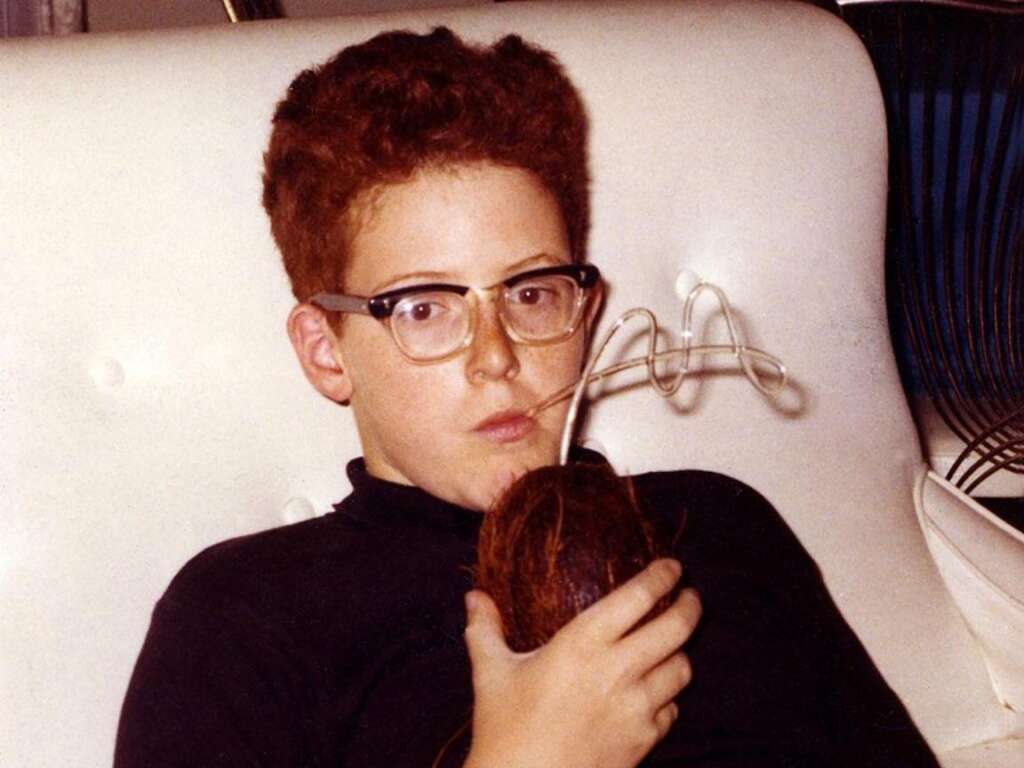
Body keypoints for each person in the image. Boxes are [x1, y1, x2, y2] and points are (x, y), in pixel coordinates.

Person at [114, 26, 940, 768]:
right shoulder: (244, 619)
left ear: (588, 312)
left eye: (532, 294)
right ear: (327, 351)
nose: (496, 357)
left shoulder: (720, 527)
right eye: (426, 308)